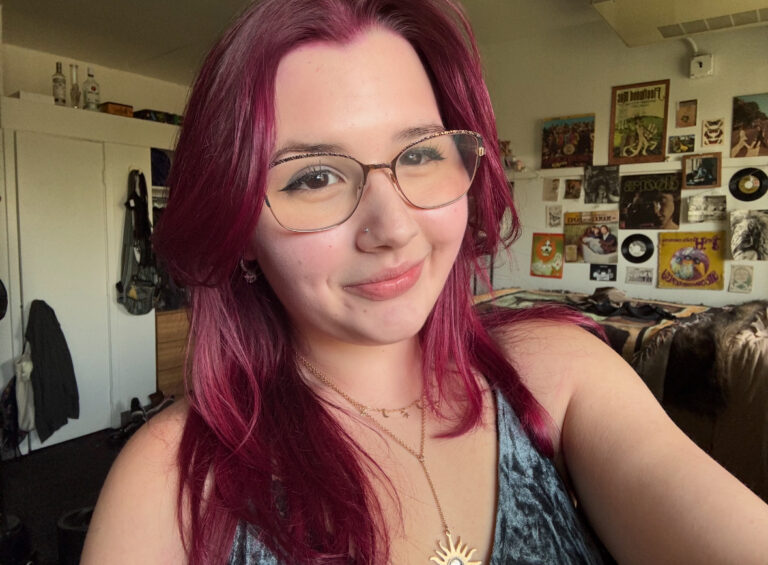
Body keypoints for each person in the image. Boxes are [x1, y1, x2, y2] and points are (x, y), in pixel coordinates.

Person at [82, 1, 768, 563]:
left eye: (420, 154)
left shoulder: (562, 375)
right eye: (314, 177)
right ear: (240, 233)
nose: (394, 226)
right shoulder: (170, 484)